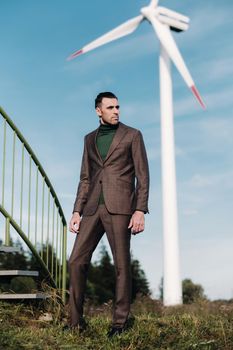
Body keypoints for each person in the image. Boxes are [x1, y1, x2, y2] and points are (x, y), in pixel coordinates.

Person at [67, 91, 149, 337]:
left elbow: (143, 177)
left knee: (121, 266)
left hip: (121, 208)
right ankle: (74, 322)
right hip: (92, 208)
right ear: (98, 110)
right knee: (75, 261)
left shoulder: (132, 135)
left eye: (118, 107)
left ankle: (119, 324)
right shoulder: (89, 139)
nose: (116, 111)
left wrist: (140, 210)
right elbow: (85, 178)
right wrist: (76, 210)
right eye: (111, 107)